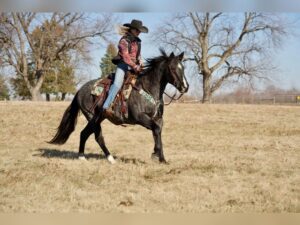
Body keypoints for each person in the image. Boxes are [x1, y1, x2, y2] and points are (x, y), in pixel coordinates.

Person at [102, 19, 148, 116]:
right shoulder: (124, 41)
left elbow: (138, 55)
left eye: (139, 31)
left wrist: (140, 62)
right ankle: (106, 106)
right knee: (118, 83)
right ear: (131, 29)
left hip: (134, 67)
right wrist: (135, 66)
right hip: (123, 65)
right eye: (137, 30)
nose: (138, 32)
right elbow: (126, 57)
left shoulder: (138, 42)